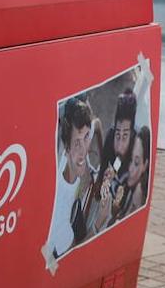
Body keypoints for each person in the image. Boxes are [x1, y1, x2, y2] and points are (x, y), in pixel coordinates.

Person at [47, 97, 101, 258]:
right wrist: (100, 222)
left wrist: (104, 158)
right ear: (67, 147)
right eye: (77, 142)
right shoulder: (60, 216)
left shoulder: (77, 133)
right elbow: (74, 260)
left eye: (86, 138)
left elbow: (97, 125)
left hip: (74, 204)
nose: (84, 149)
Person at [89, 91, 137, 234]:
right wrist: (104, 179)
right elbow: (106, 164)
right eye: (118, 135)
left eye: (125, 136)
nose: (120, 144)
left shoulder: (136, 147)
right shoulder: (111, 137)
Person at [114, 125, 151, 222]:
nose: (130, 169)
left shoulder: (140, 191)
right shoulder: (129, 184)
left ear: (145, 165)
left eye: (136, 163)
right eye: (131, 159)